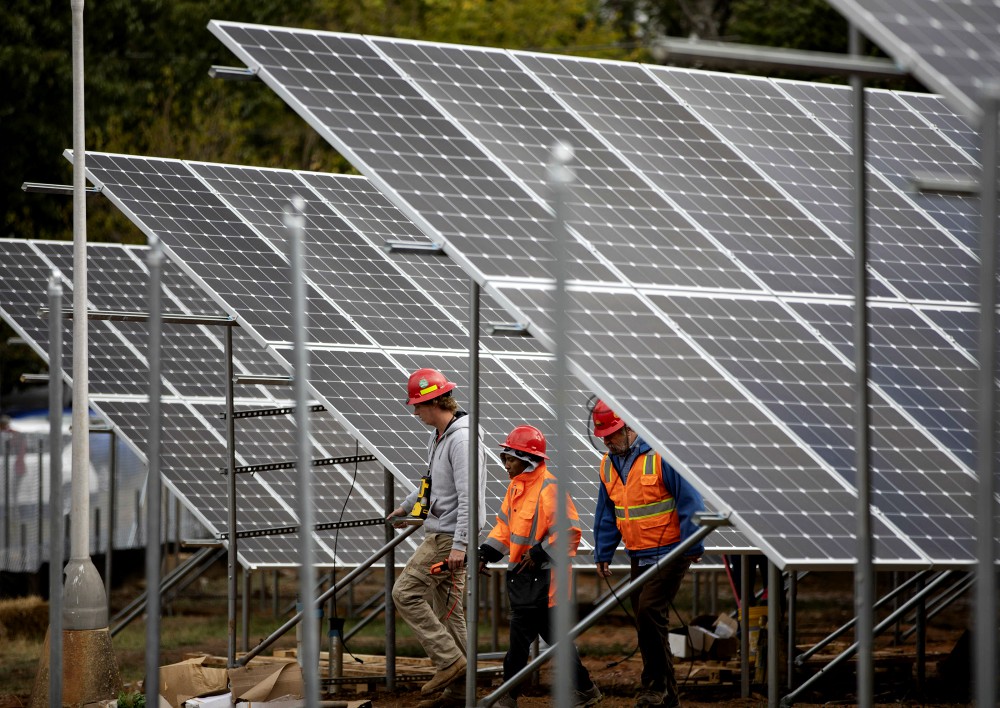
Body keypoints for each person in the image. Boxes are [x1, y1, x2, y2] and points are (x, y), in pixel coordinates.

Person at [478, 425, 603, 708]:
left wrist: (537, 552)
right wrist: (486, 552)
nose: (506, 464)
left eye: (510, 458)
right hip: (524, 579)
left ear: (528, 458)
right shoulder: (516, 487)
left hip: (546, 580)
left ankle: (506, 696)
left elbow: (570, 531)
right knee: (555, 641)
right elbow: (505, 528)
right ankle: (585, 689)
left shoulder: (550, 487)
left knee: (519, 641)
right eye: (505, 458)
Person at [591, 400, 705, 708]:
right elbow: (606, 512)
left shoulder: (661, 457)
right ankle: (668, 697)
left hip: (672, 551)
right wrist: (603, 550)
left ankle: (653, 687)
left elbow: (690, 500)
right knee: (648, 621)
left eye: (612, 433)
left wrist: (693, 545)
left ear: (630, 428)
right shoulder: (608, 465)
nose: (607, 440)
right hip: (639, 554)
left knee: (649, 611)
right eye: (603, 435)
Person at [387, 368, 487, 706]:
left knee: (405, 593)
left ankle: (449, 661)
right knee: (449, 612)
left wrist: (459, 544)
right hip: (445, 532)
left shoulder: (461, 439)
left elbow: (468, 496)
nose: (415, 412)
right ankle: (460, 692)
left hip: (448, 537)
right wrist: (407, 507)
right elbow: (432, 483)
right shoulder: (441, 435)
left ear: (433, 402)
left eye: (417, 405)